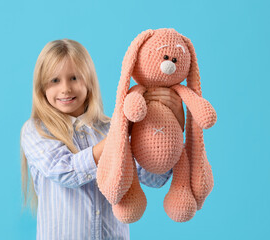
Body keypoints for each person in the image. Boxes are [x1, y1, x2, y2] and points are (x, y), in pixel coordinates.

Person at [20, 39, 185, 240]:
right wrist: (121, 133)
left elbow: (154, 178)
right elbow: (66, 171)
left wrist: (174, 126)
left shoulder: (109, 128)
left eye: (74, 78)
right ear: (41, 86)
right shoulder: (37, 130)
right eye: (54, 80)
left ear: (89, 81)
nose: (65, 89)